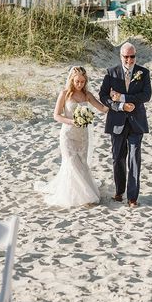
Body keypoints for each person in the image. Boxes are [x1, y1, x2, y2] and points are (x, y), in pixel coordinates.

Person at [35, 66, 108, 207]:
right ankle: (79, 197)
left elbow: (103, 109)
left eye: (82, 81)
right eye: (77, 81)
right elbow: (56, 115)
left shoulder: (87, 95)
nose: (79, 84)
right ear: (71, 80)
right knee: (71, 164)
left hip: (83, 136)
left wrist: (114, 100)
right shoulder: (65, 94)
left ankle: (84, 194)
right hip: (68, 135)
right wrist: (72, 121)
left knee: (81, 164)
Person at [99, 42, 152, 208]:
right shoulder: (111, 73)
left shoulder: (143, 73)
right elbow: (103, 96)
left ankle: (132, 197)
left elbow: (146, 95)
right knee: (118, 158)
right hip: (117, 122)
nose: (129, 60)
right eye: (126, 56)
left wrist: (123, 98)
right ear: (120, 56)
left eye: (132, 56)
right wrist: (119, 106)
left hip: (137, 123)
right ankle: (119, 191)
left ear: (135, 56)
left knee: (134, 159)